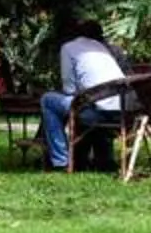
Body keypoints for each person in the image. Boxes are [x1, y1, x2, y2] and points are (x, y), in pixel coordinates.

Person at [40, 20, 125, 171]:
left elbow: (69, 88)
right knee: (75, 103)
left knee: (48, 100)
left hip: (96, 112)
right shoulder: (101, 48)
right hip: (122, 112)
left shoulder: (68, 47)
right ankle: (81, 158)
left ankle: (61, 161)